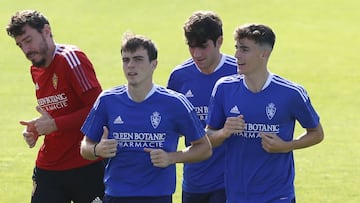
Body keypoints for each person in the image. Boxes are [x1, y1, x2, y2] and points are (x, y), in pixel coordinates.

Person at [80, 32, 212, 203]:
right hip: (116, 196)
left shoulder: (175, 103)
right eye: (126, 60)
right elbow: (85, 146)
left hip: (157, 197)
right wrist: (97, 149)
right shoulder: (107, 101)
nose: (131, 66)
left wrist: (171, 158)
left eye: (138, 59)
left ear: (153, 64)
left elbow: (204, 148)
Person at [206, 23, 324, 203]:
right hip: (237, 196)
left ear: (264, 54)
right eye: (237, 48)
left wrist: (286, 146)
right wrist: (223, 132)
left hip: (278, 196)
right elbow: (207, 138)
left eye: (244, 49)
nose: (237, 55)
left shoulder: (291, 93)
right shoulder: (224, 88)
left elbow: (317, 133)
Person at [6, 10, 104, 203]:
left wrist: (55, 124)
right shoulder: (35, 69)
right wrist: (37, 127)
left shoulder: (71, 59)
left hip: (85, 165)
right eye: (20, 45)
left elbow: (98, 110)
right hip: (49, 168)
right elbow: (56, 110)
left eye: (28, 40)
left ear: (47, 31)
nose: (26, 50)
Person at [167, 10, 237, 203]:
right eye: (191, 46)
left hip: (230, 182)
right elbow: (169, 128)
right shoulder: (179, 76)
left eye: (203, 47)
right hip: (194, 181)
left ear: (219, 41)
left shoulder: (239, 73)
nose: (196, 54)